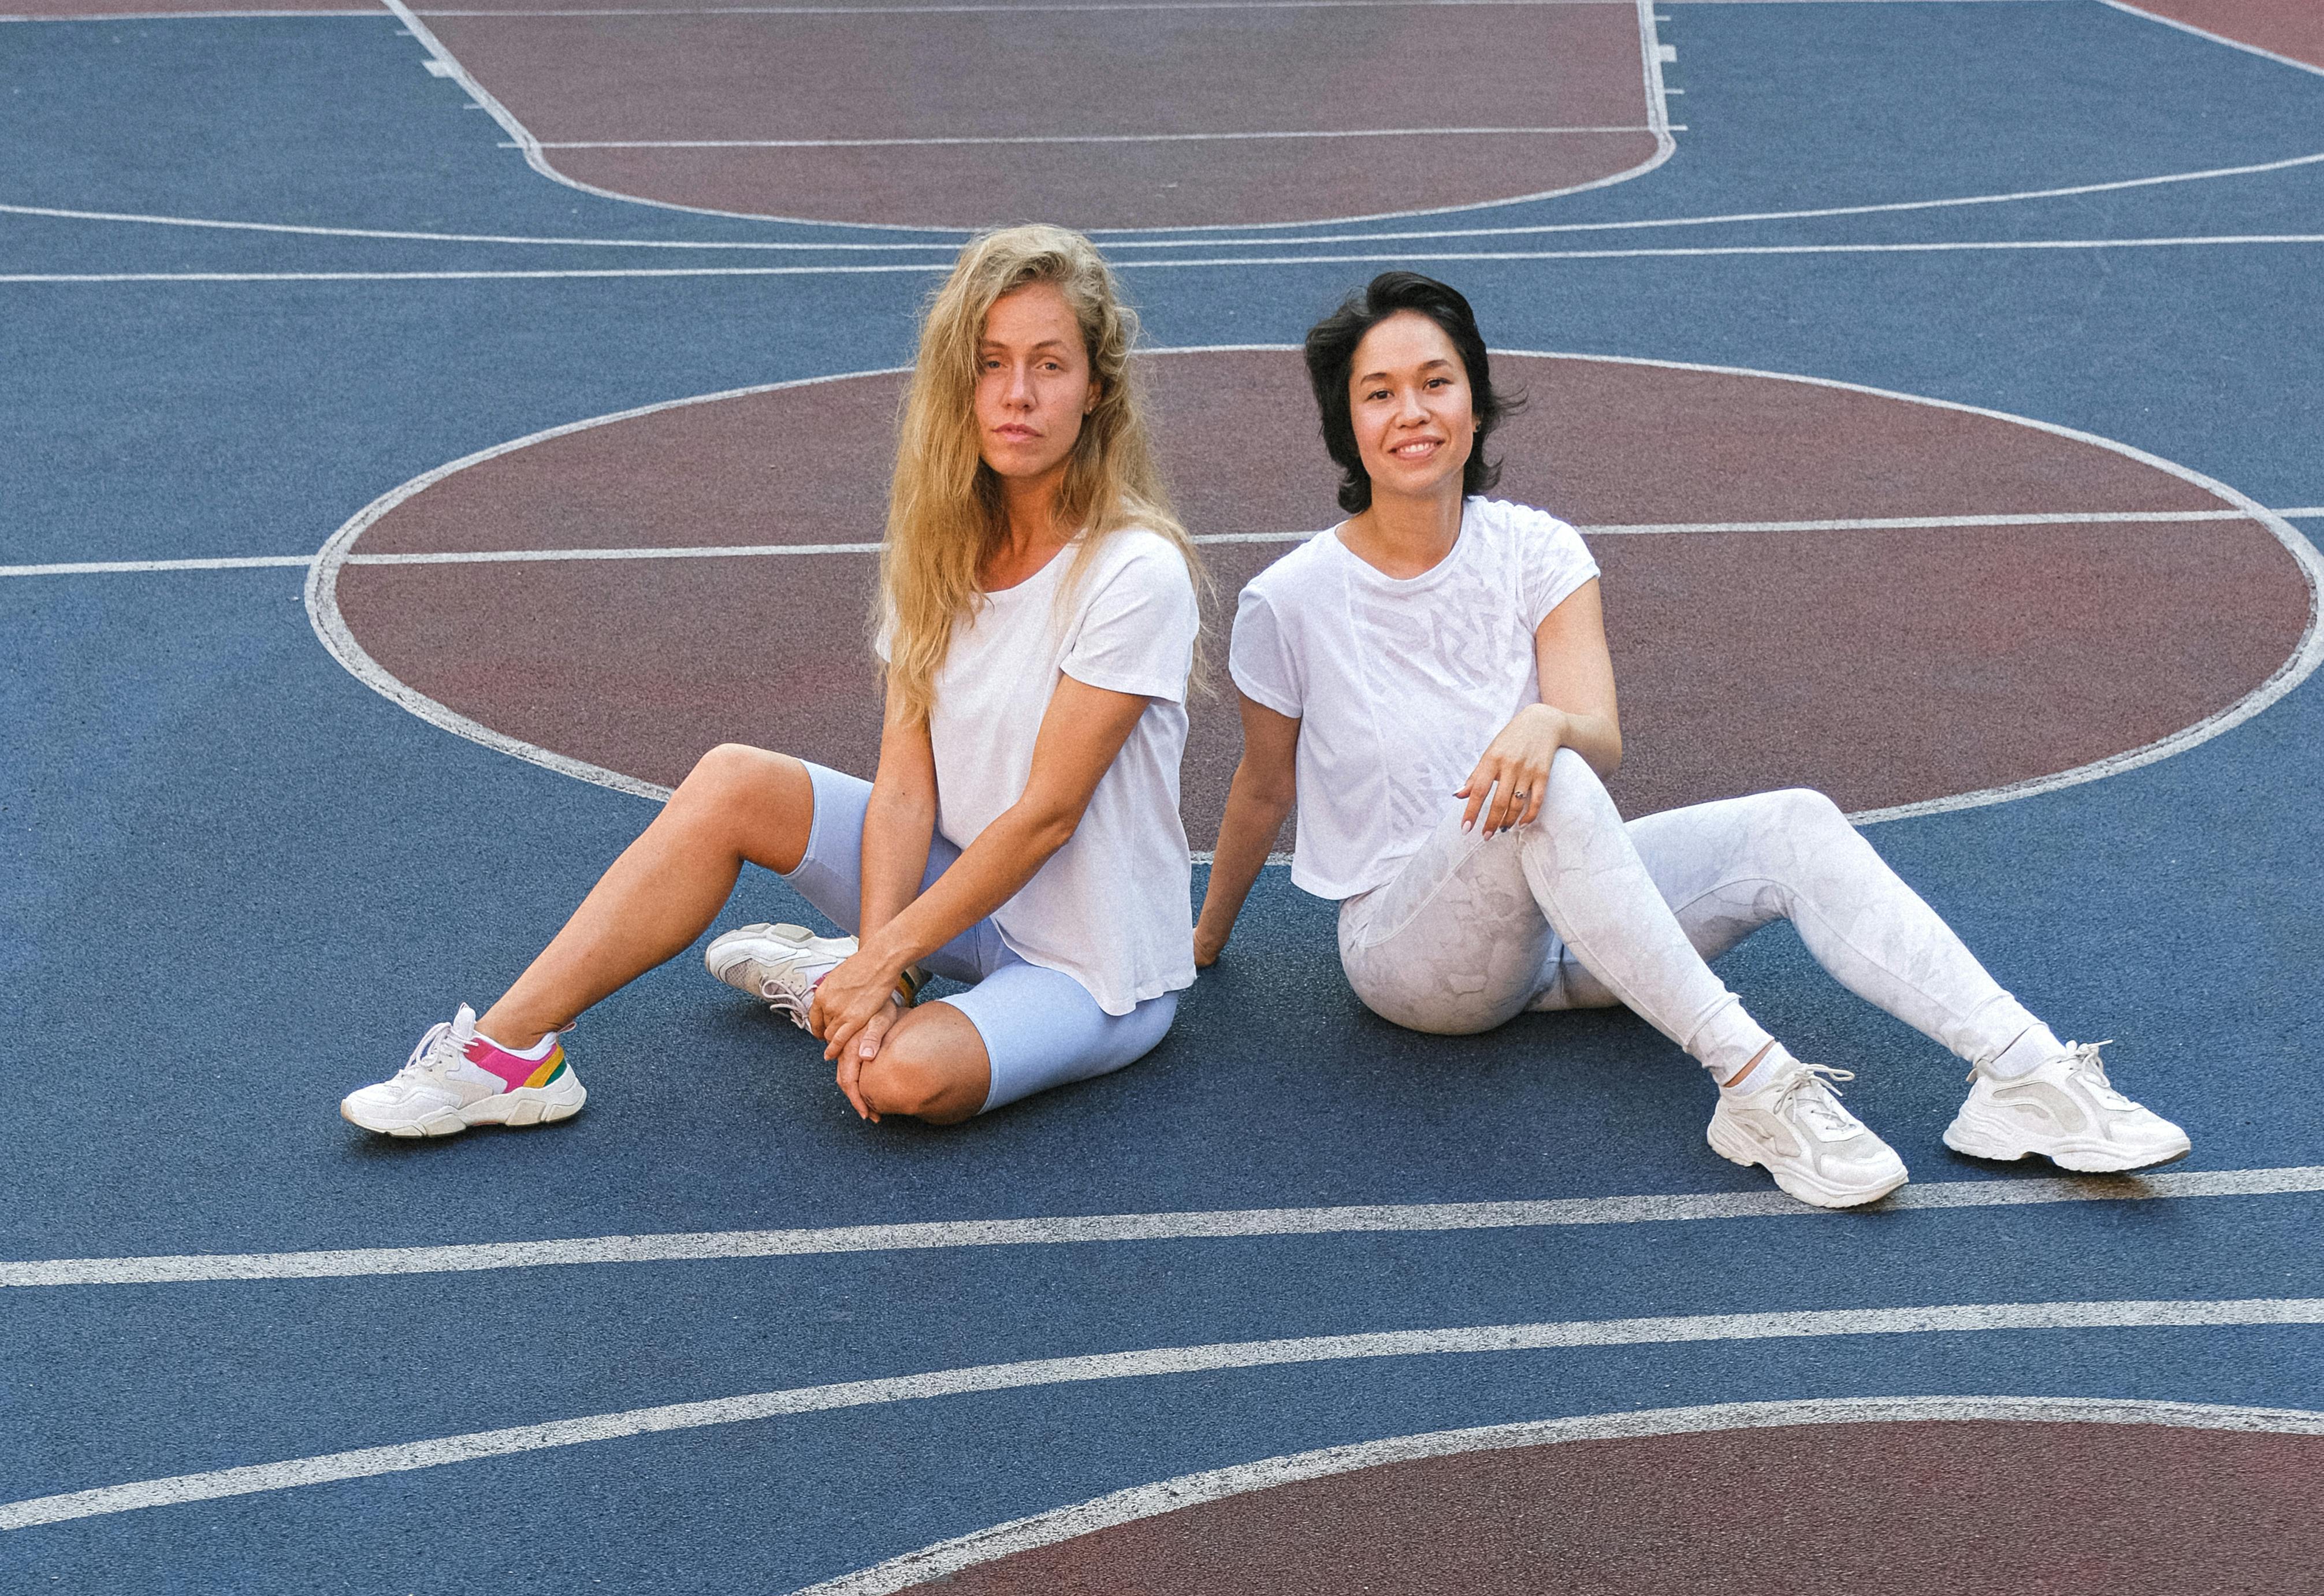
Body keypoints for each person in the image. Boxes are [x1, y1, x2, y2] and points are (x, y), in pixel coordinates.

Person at [1193, 271, 2187, 1208]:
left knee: (1787, 821)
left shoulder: (1539, 548)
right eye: (1379, 394)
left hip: (1568, 927)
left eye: (1436, 382)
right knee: (1558, 787)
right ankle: (1757, 1085)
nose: (1411, 412)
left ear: (1476, 402)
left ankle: (2022, 1072)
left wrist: (1545, 721)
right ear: (1346, 425)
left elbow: (1599, 738)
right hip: (1415, 956)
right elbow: (1263, 788)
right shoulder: (1290, 600)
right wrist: (1204, 939)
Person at [341, 226, 1202, 1141]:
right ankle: (511, 1055)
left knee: (903, 1078)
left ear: (1096, 389)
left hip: (1091, 964)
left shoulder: (1132, 571)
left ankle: (850, 977)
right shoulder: (941, 549)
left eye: (1049, 365)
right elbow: (906, 789)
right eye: (991, 364)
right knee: (731, 783)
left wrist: (885, 964)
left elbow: (1047, 816)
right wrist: (881, 958)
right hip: (959, 904)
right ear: (962, 382)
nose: (1018, 394)